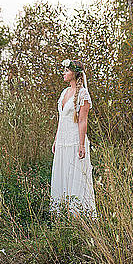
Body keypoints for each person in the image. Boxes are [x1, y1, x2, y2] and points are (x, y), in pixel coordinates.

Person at [49, 58, 97, 219]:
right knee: (62, 176)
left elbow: (83, 120)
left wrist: (82, 145)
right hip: (63, 142)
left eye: (67, 71)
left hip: (75, 142)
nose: (64, 73)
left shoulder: (83, 93)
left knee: (76, 178)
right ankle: (61, 216)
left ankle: (79, 217)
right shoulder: (64, 93)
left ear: (75, 74)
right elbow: (61, 119)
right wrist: (56, 140)